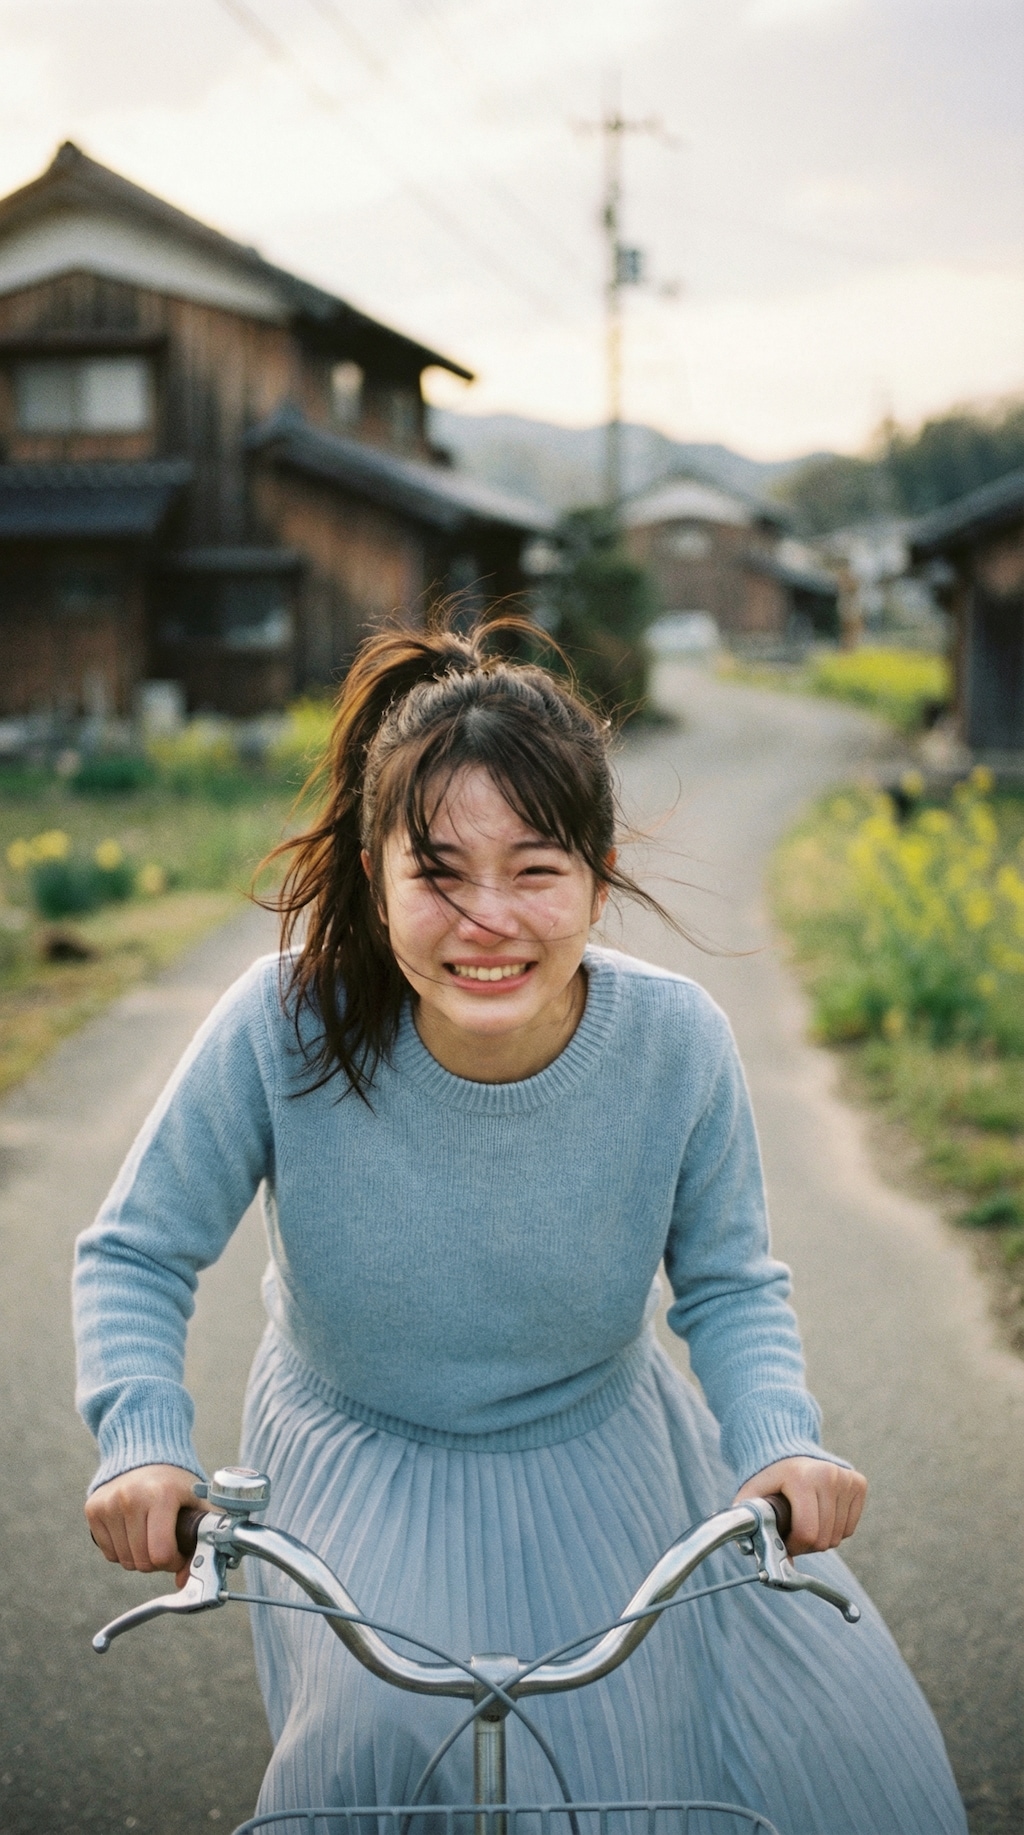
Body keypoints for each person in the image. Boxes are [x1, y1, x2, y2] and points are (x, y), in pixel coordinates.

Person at [75, 617, 966, 1833]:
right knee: (386, 1747)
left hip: (606, 1446)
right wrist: (141, 1439)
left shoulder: (676, 1040)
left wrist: (775, 1438)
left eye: (536, 868)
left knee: (643, 1763)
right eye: (438, 871)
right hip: (359, 1447)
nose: (486, 917)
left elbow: (728, 1280)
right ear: (375, 874)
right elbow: (137, 1249)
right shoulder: (283, 1020)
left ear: (597, 876)